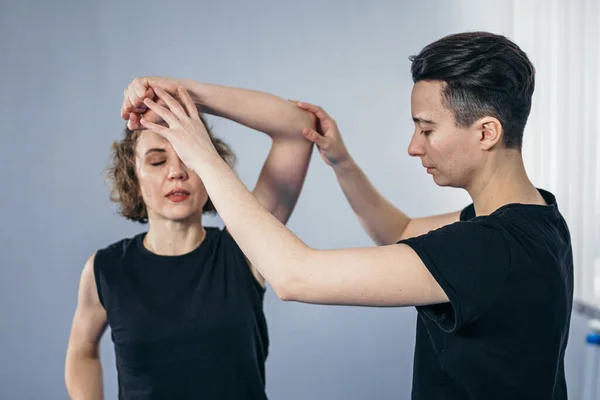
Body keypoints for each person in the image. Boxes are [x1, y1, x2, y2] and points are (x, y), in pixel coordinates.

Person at [135, 32, 574, 399]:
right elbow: (399, 231)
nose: (414, 146)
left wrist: (204, 157)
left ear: (486, 132)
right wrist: (341, 161)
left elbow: (295, 275)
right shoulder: (536, 221)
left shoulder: (489, 249)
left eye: (426, 129)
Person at [64, 79, 315, 399]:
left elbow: (298, 129)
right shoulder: (105, 269)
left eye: (188, 156)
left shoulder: (247, 248)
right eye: (157, 161)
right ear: (133, 178)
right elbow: (81, 351)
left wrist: (181, 92)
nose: (176, 172)